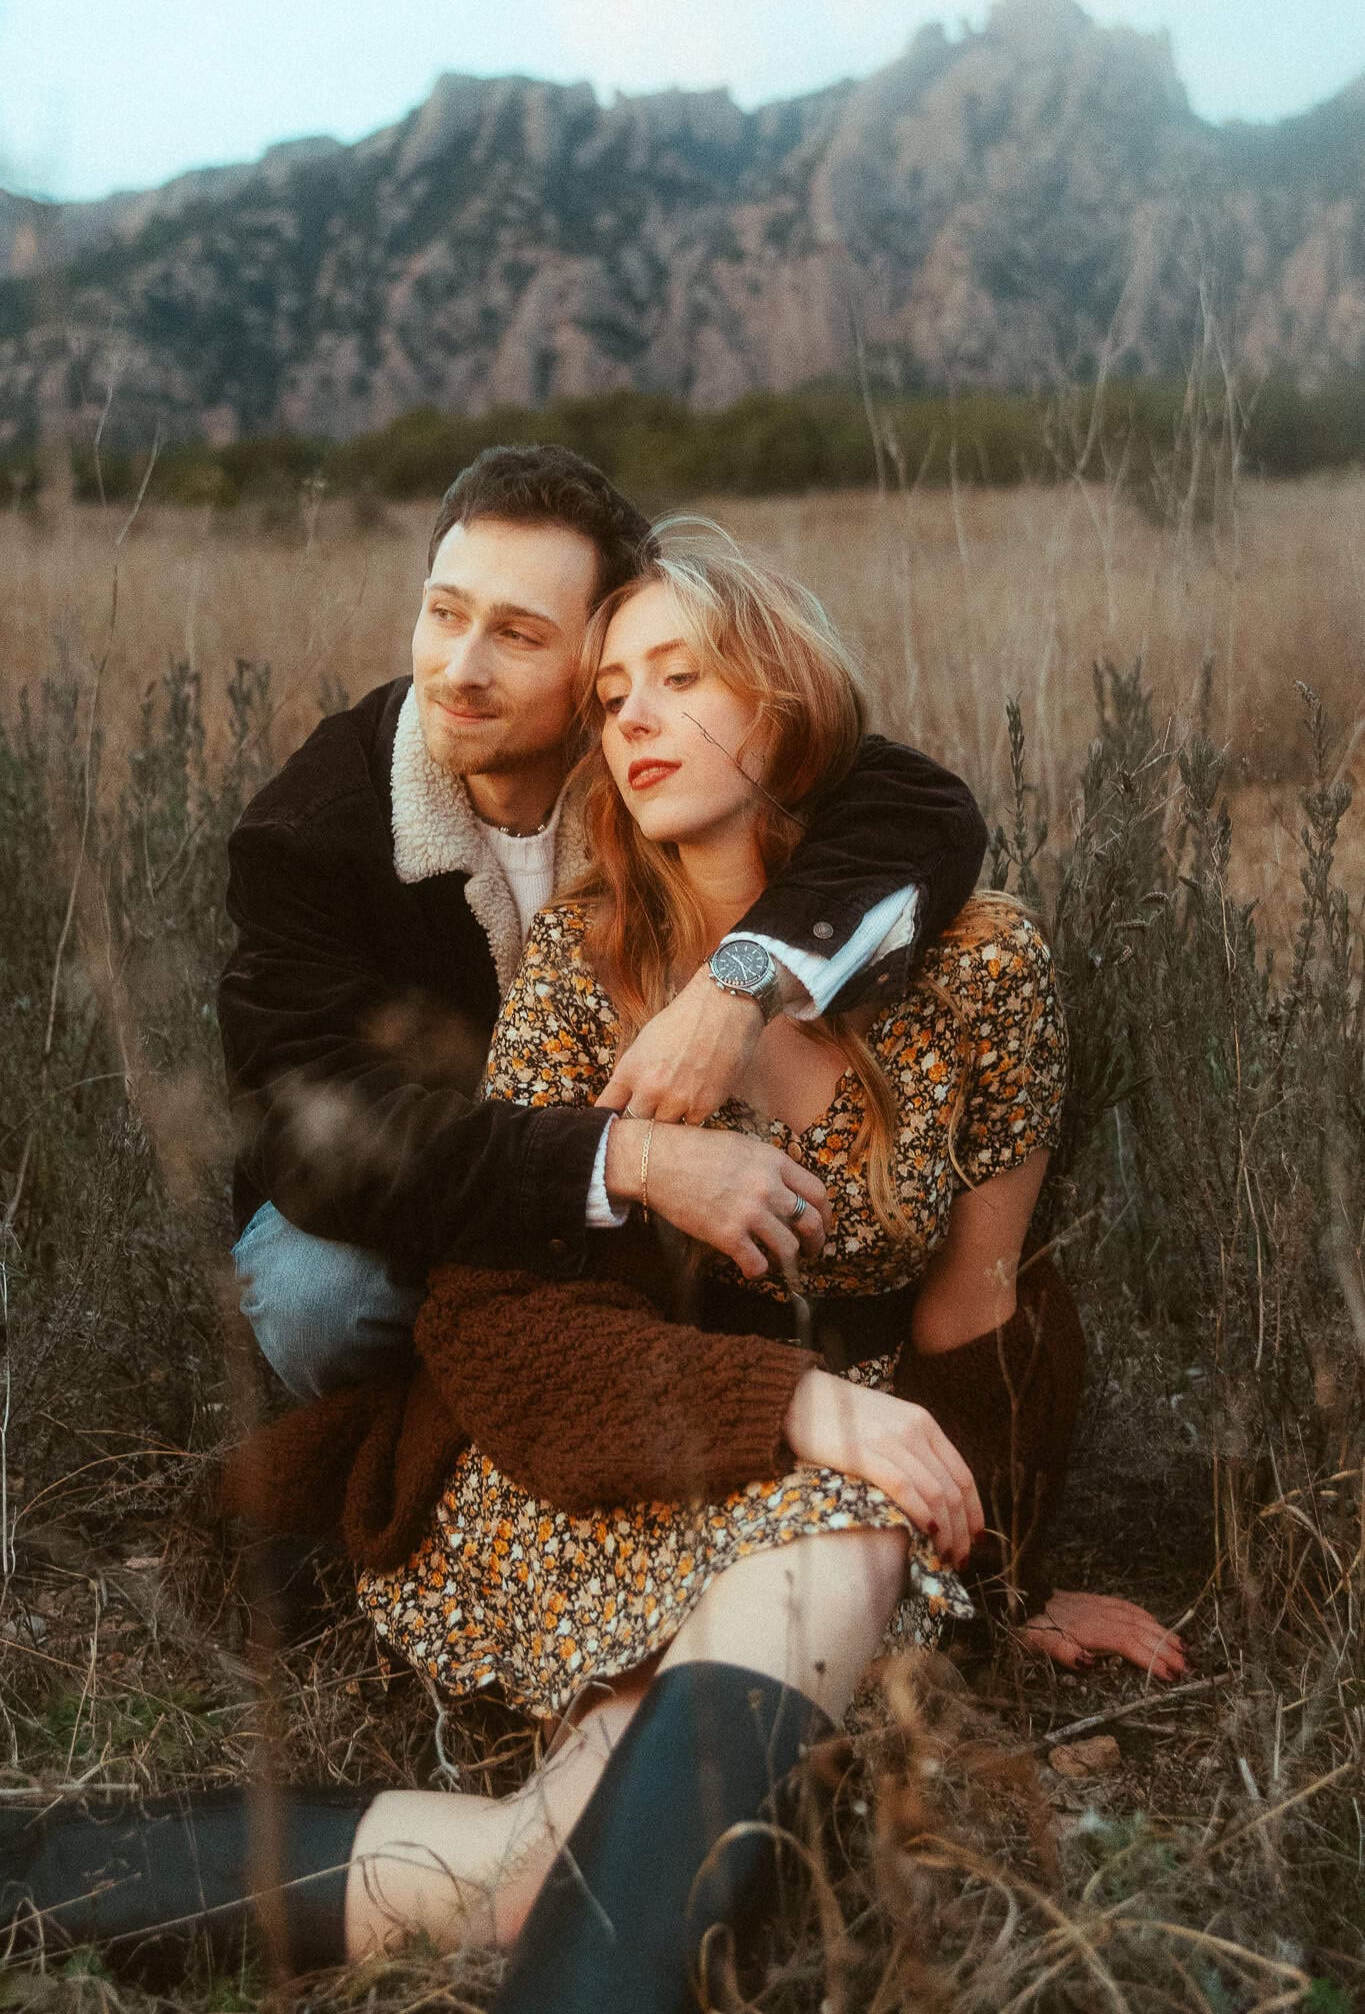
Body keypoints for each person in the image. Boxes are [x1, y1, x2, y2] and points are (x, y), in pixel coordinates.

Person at [2, 525, 1182, 2003]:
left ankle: (40, 1871)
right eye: (613, 689)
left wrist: (1006, 1576)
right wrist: (801, 1405)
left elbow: (982, 1301)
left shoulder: (981, 963)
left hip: (853, 1446)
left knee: (525, 1866)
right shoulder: (576, 961)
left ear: (785, 707)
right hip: (592, 1455)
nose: (629, 715)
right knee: (839, 1526)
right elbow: (494, 1328)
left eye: (680, 677)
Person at [219, 445, 992, 1404]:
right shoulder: (312, 830)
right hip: (415, 1191)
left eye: (518, 635)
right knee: (318, 1295)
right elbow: (320, 1136)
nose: (458, 670)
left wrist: (735, 985)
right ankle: (391, 1471)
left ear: (602, 647)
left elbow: (919, 807)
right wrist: (633, 1159)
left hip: (643, 1220)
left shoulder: (656, 742)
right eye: (444, 612)